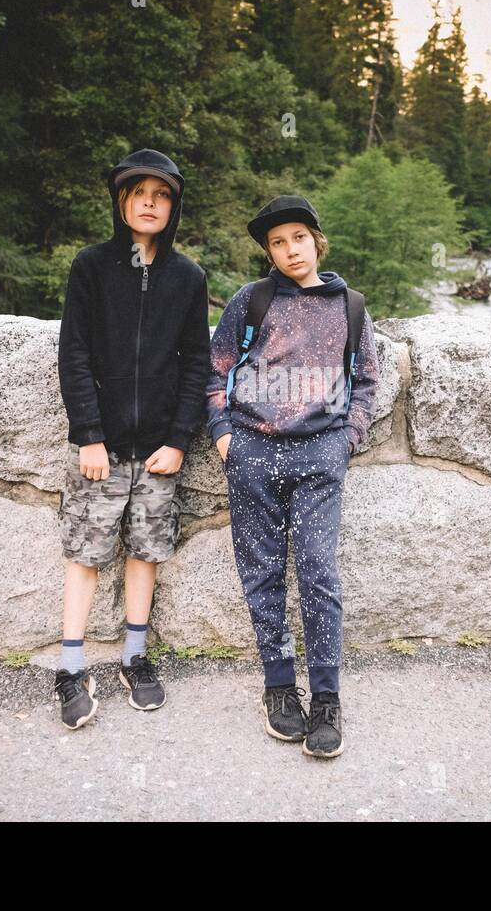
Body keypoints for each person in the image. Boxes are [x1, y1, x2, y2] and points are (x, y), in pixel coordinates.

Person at [206, 194, 379, 757]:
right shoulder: (249, 302)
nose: (290, 250)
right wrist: (224, 435)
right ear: (269, 253)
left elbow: (367, 384)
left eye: (298, 238)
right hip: (252, 452)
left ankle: (326, 698)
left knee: (318, 573)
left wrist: (347, 439)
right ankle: (280, 688)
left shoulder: (349, 306)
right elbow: (215, 373)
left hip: (320, 459)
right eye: (277, 243)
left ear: (316, 240)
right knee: (262, 575)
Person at [54, 149, 210, 729]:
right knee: (86, 553)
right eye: (139, 192)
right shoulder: (90, 267)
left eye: (162, 194)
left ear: (174, 206)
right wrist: (88, 434)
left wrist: (179, 440)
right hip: (104, 448)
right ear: (121, 202)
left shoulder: (188, 277)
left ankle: (135, 656)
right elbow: (74, 354)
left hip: (160, 451)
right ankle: (71, 667)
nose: (150, 203)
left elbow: (197, 363)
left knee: (146, 551)